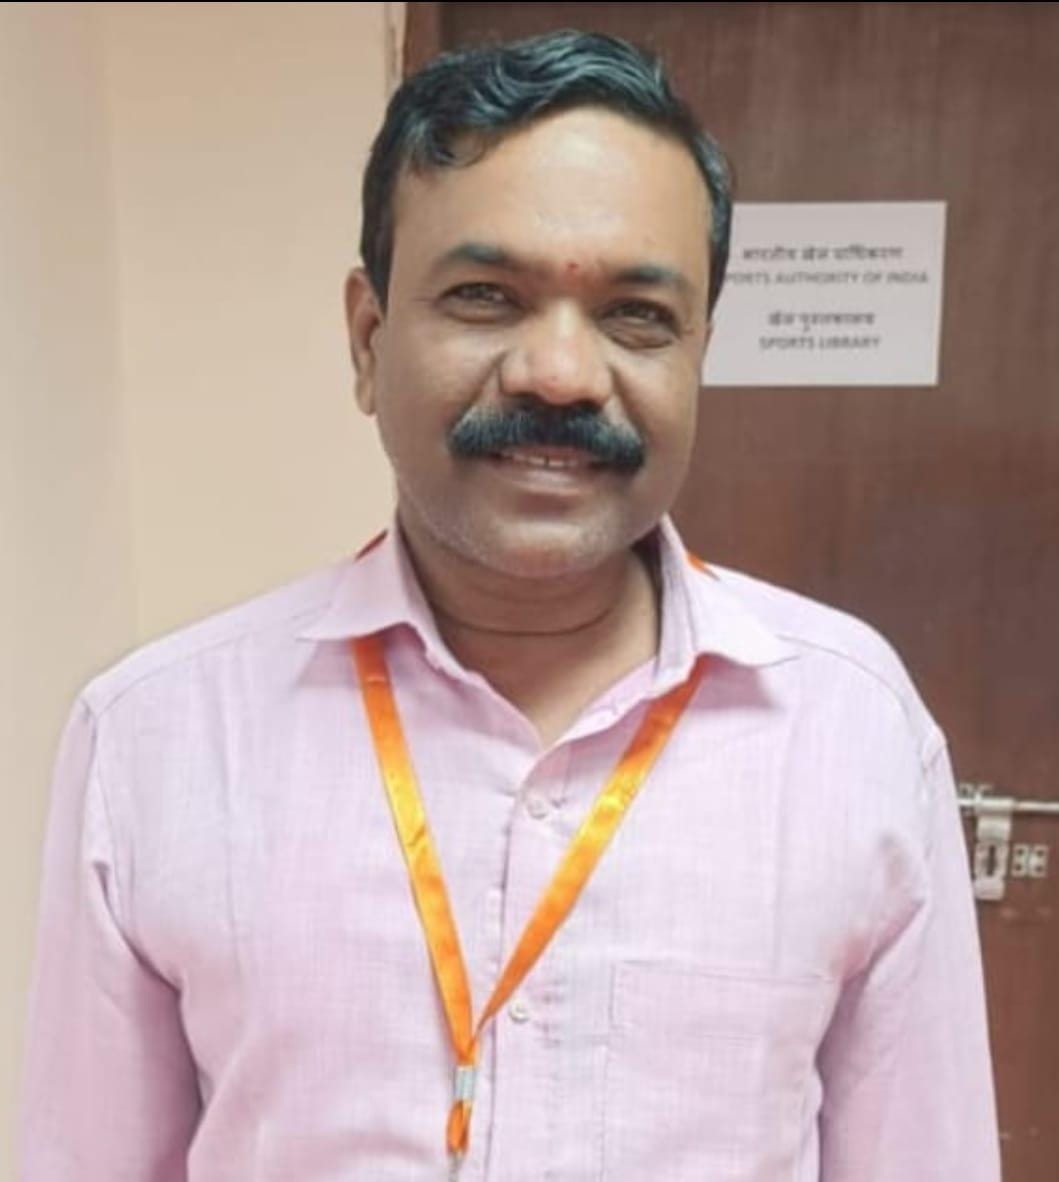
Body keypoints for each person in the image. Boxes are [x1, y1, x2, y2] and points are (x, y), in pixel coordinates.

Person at [19, 28, 999, 1182]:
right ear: (369, 339)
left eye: (637, 314)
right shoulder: (159, 740)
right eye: (485, 297)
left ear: (698, 355)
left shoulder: (853, 731)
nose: (561, 374)